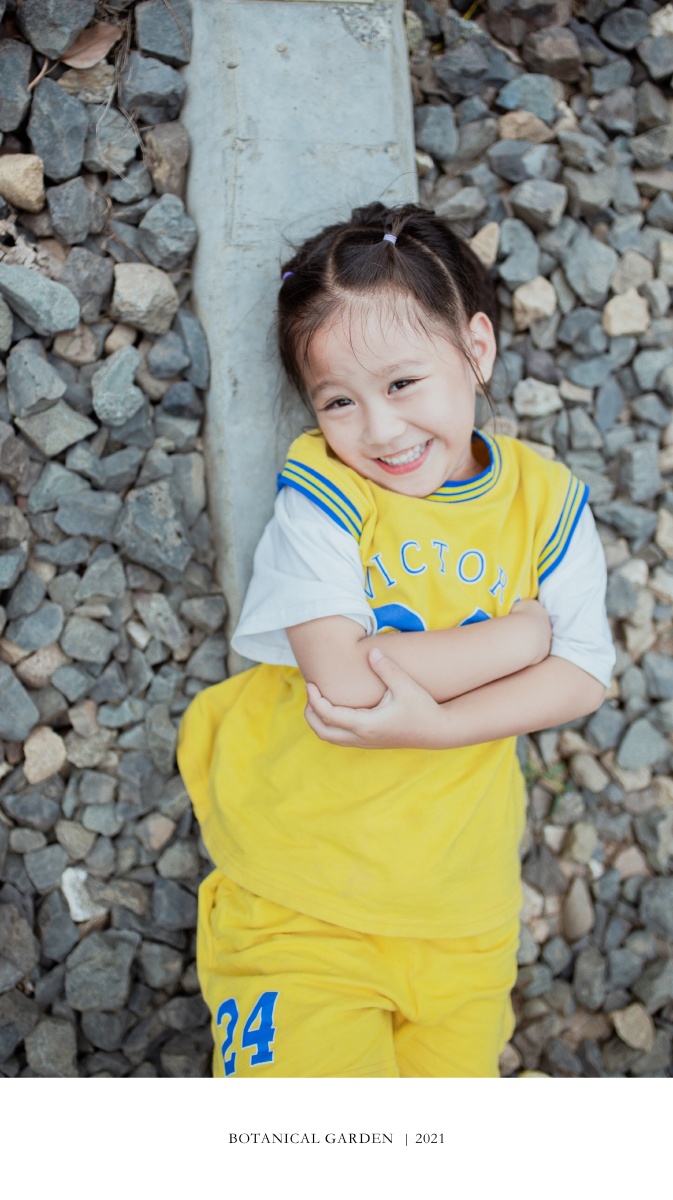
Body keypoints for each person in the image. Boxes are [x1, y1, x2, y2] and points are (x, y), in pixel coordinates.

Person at [177, 202, 615, 1078]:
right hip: (301, 902)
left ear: (476, 350)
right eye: (339, 400)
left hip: (463, 917)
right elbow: (343, 680)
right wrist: (518, 638)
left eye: (403, 383)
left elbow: (581, 675)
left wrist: (439, 724)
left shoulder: (546, 500)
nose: (378, 429)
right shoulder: (324, 488)